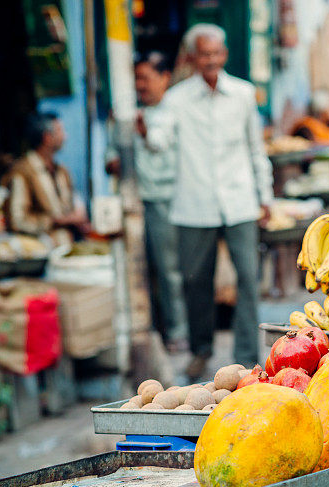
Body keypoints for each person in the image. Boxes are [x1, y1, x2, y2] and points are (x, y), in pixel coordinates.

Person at [143, 24, 273, 378]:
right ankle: (201, 349)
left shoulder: (244, 94)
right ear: (193, 57)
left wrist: (266, 195)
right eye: (205, 54)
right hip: (194, 203)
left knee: (248, 279)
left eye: (217, 53)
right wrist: (143, 130)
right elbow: (160, 139)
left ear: (225, 55)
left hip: (240, 199)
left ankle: (246, 356)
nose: (212, 60)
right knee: (195, 281)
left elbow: (255, 148)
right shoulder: (177, 98)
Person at [106, 51, 189, 353]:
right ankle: (154, 329)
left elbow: (158, 142)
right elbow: (112, 154)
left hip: (164, 198)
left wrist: (143, 132)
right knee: (142, 269)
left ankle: (178, 332)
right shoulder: (129, 114)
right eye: (136, 78)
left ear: (164, 78)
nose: (140, 84)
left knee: (169, 270)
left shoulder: (173, 112)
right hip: (134, 203)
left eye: (145, 77)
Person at [1, 112, 90, 246]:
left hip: (68, 249)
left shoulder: (62, 172)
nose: (65, 136)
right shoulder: (23, 172)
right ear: (47, 138)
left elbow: (74, 210)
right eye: (60, 131)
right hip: (40, 255)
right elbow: (17, 221)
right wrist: (58, 221)